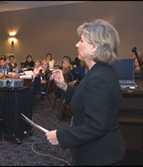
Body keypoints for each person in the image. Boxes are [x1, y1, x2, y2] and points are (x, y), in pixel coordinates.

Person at [46, 19, 126, 166]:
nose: (77, 44)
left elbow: (96, 126)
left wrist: (60, 136)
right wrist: (64, 86)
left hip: (99, 156)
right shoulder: (99, 71)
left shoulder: (99, 77)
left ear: (94, 47)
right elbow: (86, 96)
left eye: (81, 40)